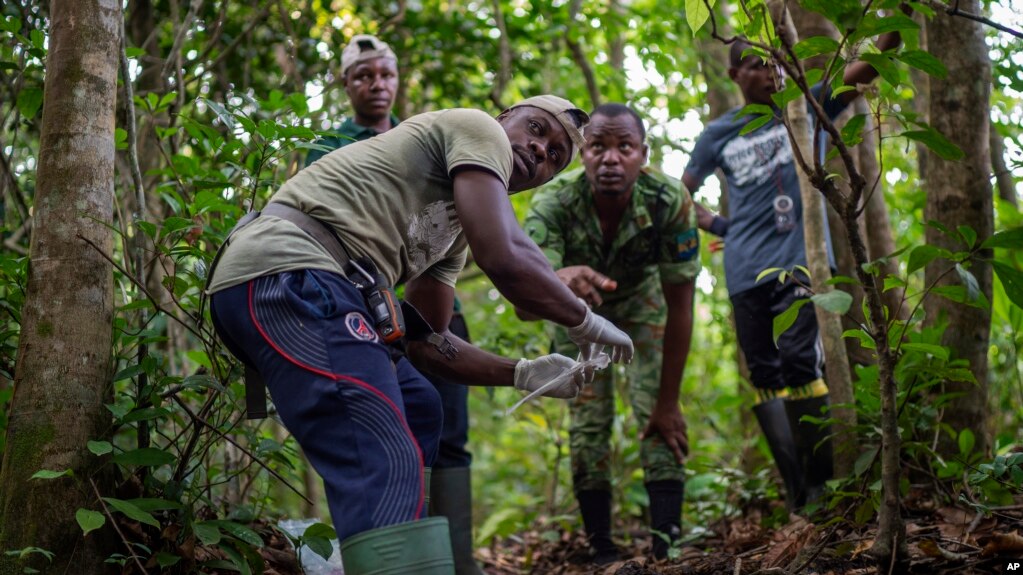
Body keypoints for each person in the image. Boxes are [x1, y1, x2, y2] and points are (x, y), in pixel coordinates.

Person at [206, 94, 635, 575]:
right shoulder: (476, 127)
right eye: (535, 129)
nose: (540, 150)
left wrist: (522, 373)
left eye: (555, 156)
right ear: (503, 119)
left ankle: (394, 558)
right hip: (286, 274)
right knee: (381, 449)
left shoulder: (452, 236)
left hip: (317, 291)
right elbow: (507, 257)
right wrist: (585, 320)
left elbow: (424, 344)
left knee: (419, 406)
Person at [684, 30, 903, 510]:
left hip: (801, 264)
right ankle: (797, 491)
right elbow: (684, 190)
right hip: (744, 271)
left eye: (777, 63)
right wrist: (720, 224)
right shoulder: (718, 133)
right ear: (735, 75)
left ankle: (823, 486)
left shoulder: (807, 107)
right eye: (758, 65)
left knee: (802, 361)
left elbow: (863, 71)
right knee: (763, 372)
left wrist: (897, 21)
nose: (771, 72)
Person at [305, 34, 483, 574]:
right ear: (346, 84)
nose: (376, 85)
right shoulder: (326, 148)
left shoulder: (423, 137)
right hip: (361, 305)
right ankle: (402, 554)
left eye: (385, 75)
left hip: (428, 300)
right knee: (387, 423)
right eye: (364, 76)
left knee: (450, 426)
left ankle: (458, 560)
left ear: (397, 79)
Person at [519, 103, 700, 564]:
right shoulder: (553, 203)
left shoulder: (669, 201)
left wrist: (668, 400)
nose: (611, 158)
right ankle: (601, 548)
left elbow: (680, 307)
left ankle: (666, 545)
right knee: (588, 422)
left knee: (658, 415)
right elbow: (524, 303)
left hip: (643, 304)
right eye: (598, 146)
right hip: (574, 312)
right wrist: (559, 280)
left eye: (625, 147)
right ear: (584, 154)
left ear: (643, 154)